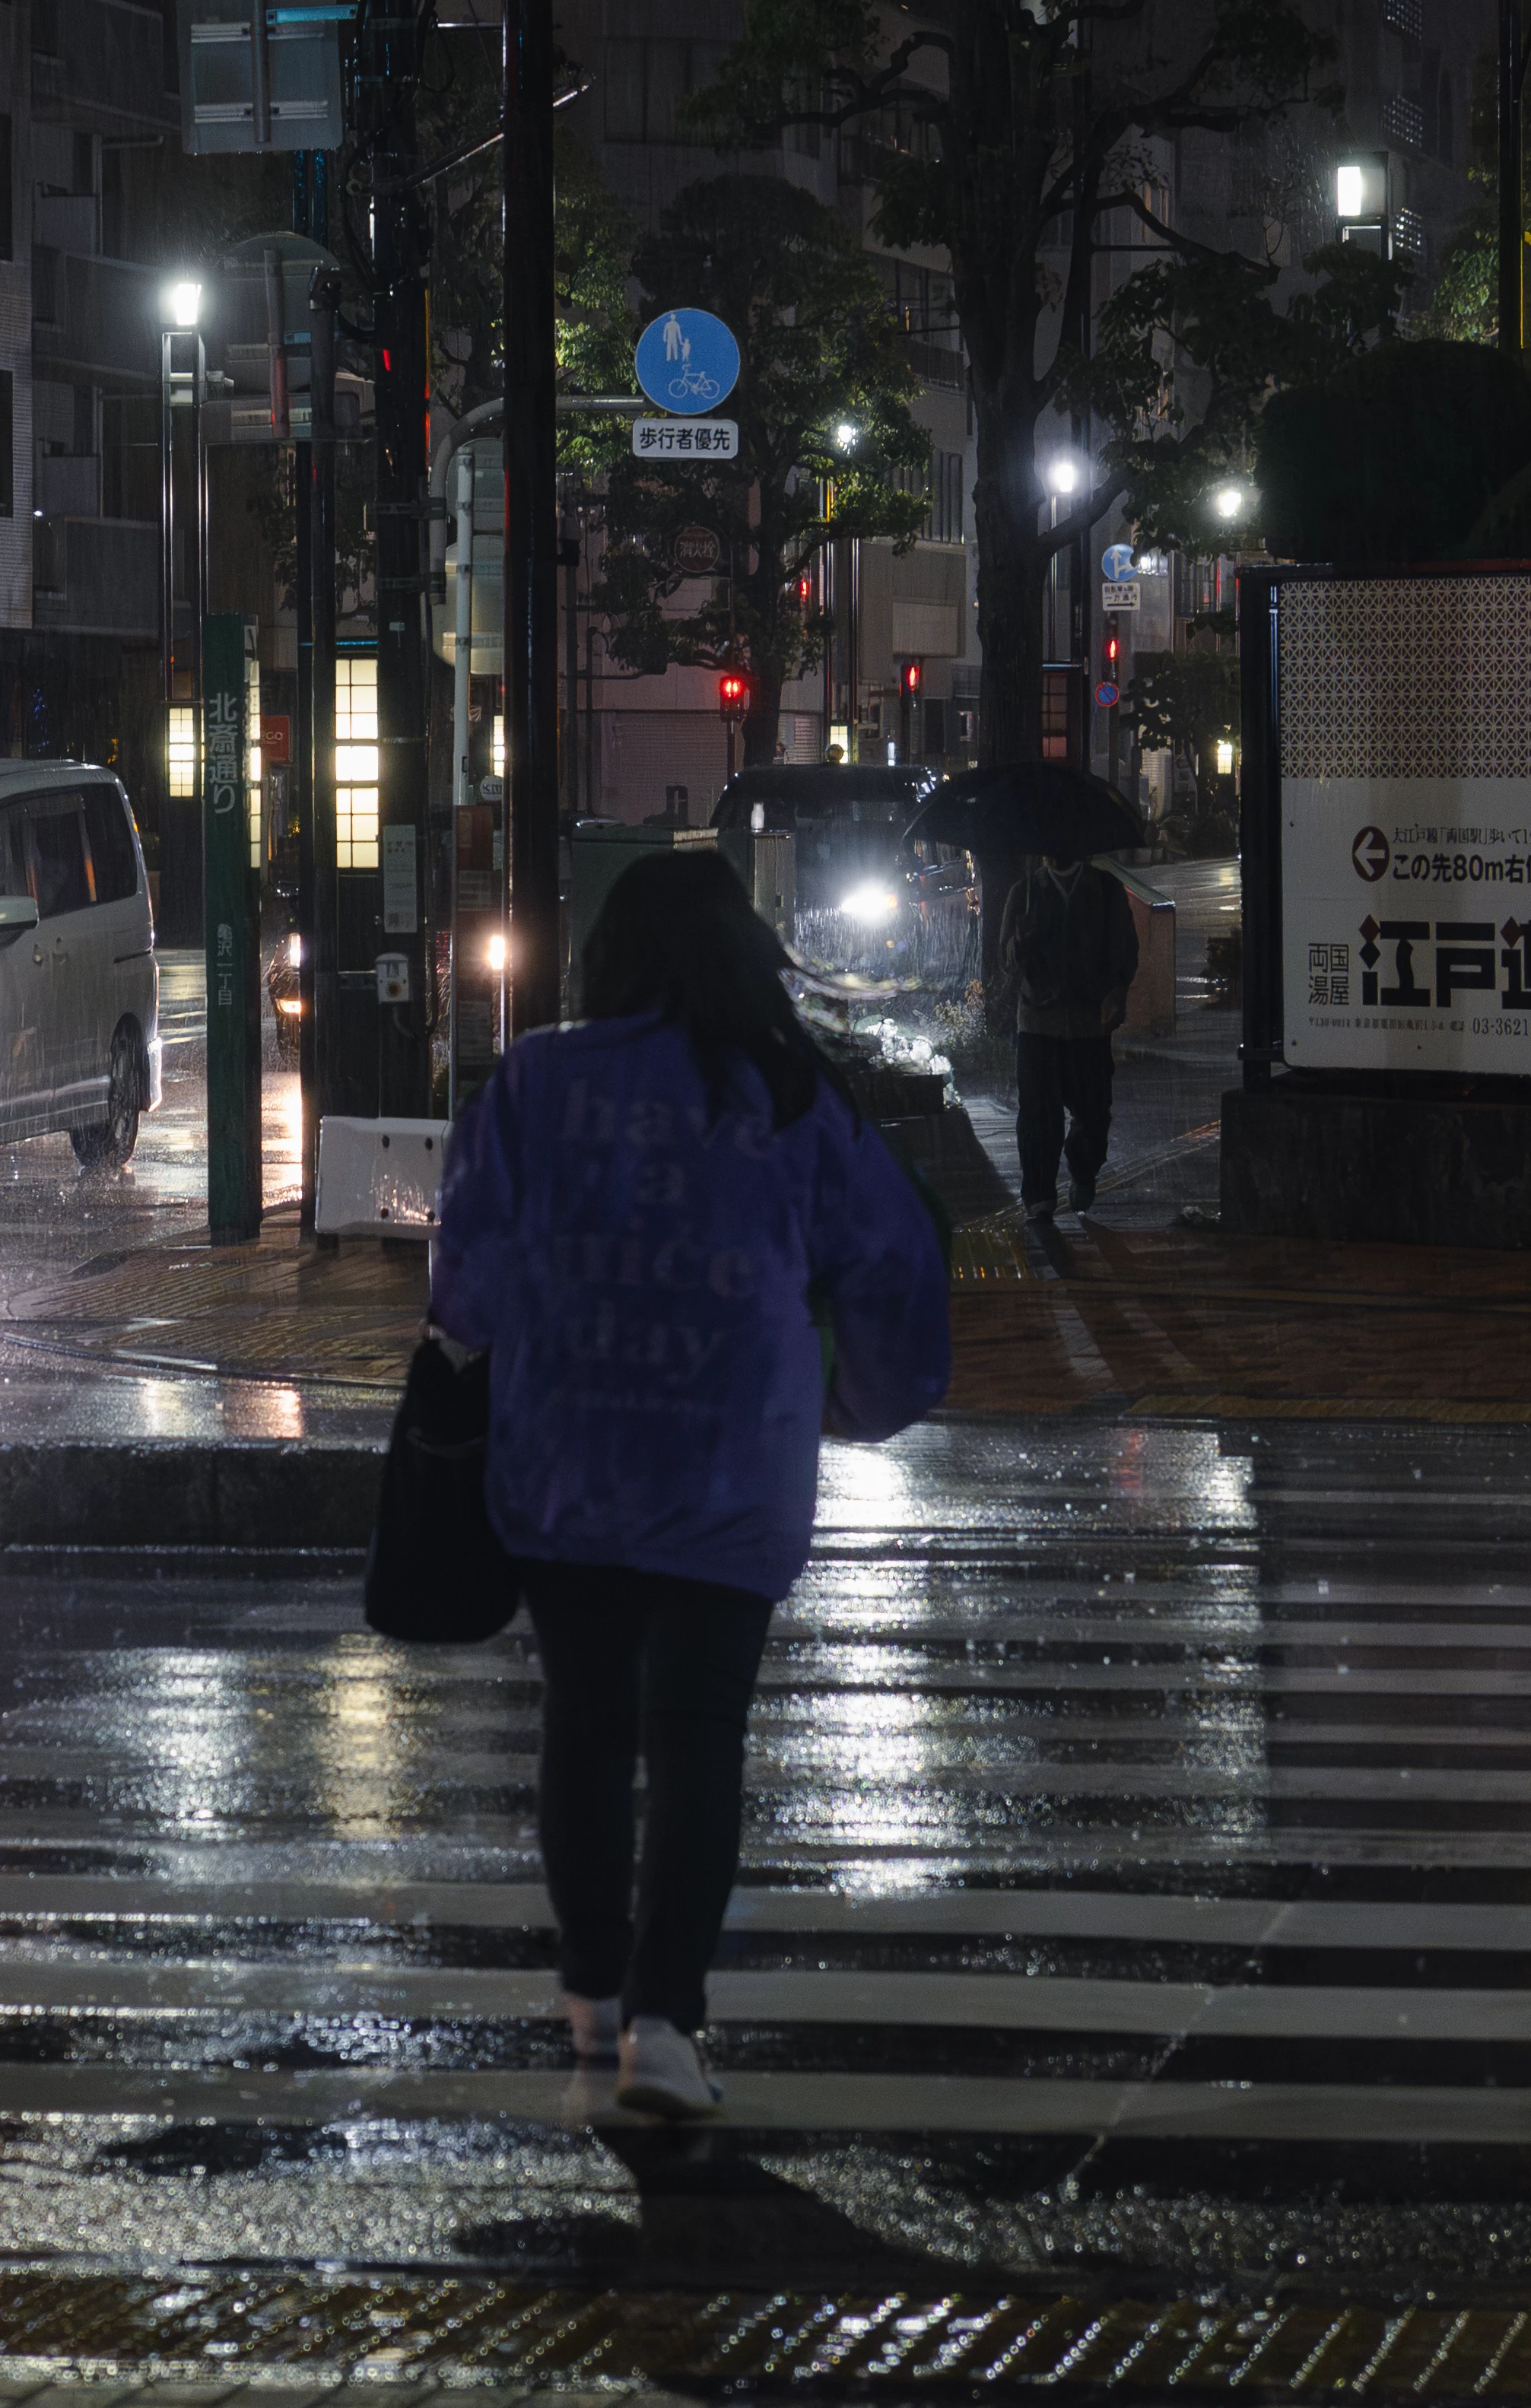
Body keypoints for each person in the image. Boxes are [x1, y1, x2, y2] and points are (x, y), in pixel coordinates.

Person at [430, 850, 954, 2120]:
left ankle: (595, 1991)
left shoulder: (539, 1082)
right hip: (731, 1466)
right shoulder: (791, 1097)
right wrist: (856, 1404)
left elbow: (467, 1280)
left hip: (567, 1462)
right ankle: (669, 2021)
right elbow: (894, 1269)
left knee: (587, 1724)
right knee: (699, 1735)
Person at [987, 847, 1136, 1219]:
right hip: (1038, 1021)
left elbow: (1125, 948)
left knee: (1094, 1111)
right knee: (1038, 1113)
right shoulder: (1023, 892)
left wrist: (1117, 991)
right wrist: (1018, 942)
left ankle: (1083, 1170)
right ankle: (1039, 1193)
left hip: (1089, 1023)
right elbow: (1005, 960)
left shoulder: (1106, 889)